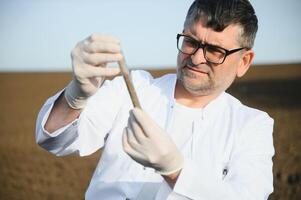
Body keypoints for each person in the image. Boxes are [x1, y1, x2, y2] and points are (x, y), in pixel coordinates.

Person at [35, 0, 275, 199]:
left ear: (244, 61)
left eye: (215, 50)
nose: (197, 58)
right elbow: (56, 140)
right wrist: (75, 96)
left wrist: (175, 169)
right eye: (191, 41)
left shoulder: (251, 125)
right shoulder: (134, 88)